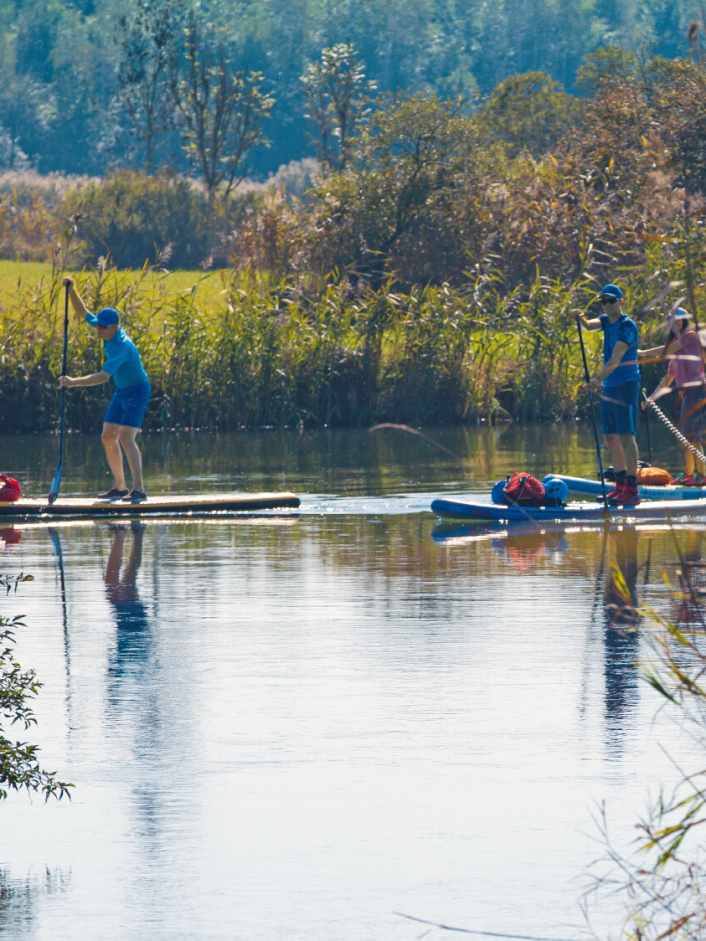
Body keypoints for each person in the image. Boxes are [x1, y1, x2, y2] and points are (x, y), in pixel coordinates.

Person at [59, 278, 151, 502]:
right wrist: (71, 290)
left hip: (138, 390)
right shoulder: (104, 327)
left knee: (126, 437)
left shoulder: (122, 347)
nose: (98, 329)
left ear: (114, 327)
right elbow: (83, 312)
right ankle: (119, 487)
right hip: (122, 390)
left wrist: (72, 382)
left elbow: (102, 377)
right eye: (98, 325)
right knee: (108, 436)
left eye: (103, 327)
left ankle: (139, 489)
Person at [579, 283, 641, 505]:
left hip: (625, 383)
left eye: (611, 301)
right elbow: (588, 325)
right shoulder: (605, 321)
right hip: (610, 386)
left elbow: (615, 360)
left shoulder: (627, 326)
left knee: (626, 435)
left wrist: (595, 380)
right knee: (611, 437)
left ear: (620, 302)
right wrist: (580, 317)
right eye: (603, 301)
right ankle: (620, 485)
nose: (606, 305)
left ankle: (632, 489)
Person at [642, 307, 706, 485]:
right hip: (689, 395)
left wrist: (642, 353)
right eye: (673, 320)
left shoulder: (690, 336)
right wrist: (651, 399)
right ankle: (690, 476)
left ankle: (700, 477)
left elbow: (665, 349)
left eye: (680, 319)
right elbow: (666, 381)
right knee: (688, 437)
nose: (677, 322)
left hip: (699, 391)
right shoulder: (675, 357)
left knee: (691, 436)